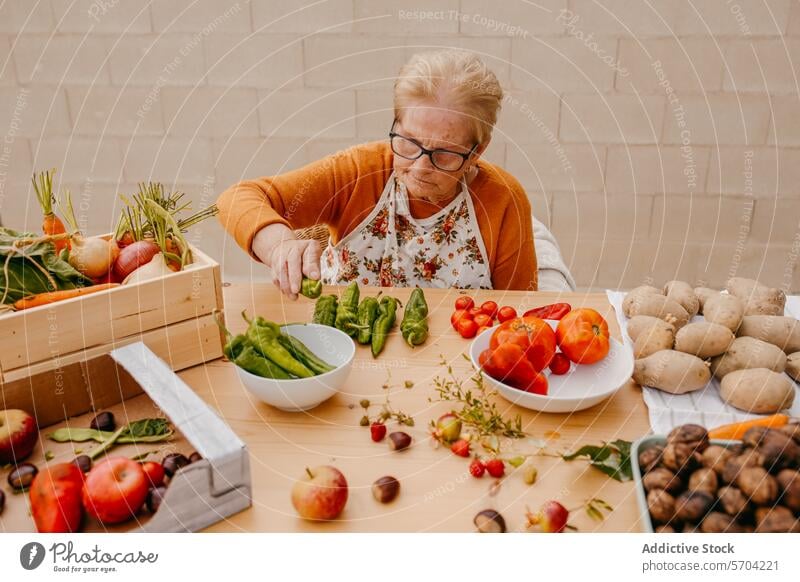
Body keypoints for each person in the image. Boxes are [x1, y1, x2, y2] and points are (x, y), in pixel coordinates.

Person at [218, 49, 573, 299]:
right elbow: (236, 198)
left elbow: (520, 315)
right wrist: (279, 245)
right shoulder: (360, 171)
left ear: (476, 152)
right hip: (346, 355)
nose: (419, 167)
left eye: (444, 154)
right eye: (408, 142)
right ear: (396, 124)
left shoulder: (503, 201)